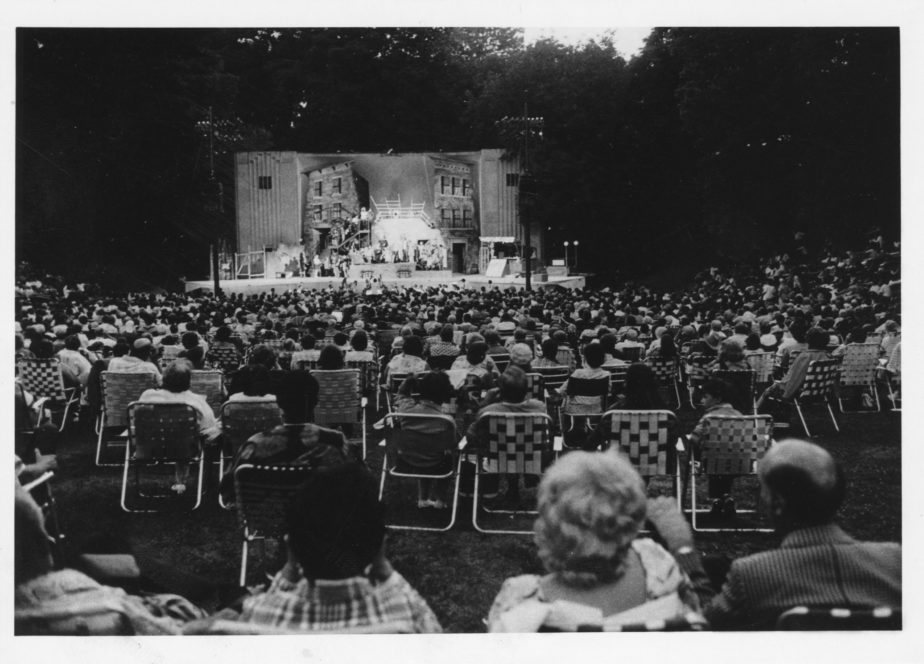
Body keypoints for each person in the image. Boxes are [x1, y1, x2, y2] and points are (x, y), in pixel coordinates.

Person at [487, 451, 709, 631]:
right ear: (631, 519)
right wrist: (682, 546)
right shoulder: (660, 568)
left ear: (549, 520)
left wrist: (567, 553)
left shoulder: (519, 604)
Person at [702, 438, 901, 629]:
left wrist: (684, 551)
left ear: (777, 503)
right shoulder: (895, 561)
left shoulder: (751, 575)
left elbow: (698, 624)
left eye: (763, 491)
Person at [219, 463, 442, 633]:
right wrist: (386, 570)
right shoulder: (406, 613)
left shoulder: (259, 615)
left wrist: (287, 571)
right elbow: (433, 630)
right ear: (379, 547)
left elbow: (270, 600)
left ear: (291, 548)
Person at [15, 482, 205, 635]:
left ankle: (191, 587)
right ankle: (203, 591)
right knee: (109, 545)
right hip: (164, 621)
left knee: (104, 542)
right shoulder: (105, 610)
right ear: (43, 545)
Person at [138, 359, 220, 493]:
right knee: (202, 436)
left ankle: (181, 482)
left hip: (148, 448)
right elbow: (208, 426)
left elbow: (139, 422)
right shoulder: (195, 401)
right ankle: (204, 481)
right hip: (186, 449)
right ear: (189, 380)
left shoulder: (148, 396)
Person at [390, 371, 457, 509]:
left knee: (423, 447)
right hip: (437, 463)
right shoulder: (446, 419)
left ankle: (423, 498)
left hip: (405, 460)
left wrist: (409, 381)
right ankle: (440, 500)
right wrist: (453, 396)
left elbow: (401, 395)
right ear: (446, 393)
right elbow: (455, 441)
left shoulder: (404, 409)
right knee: (442, 454)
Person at [686, 377, 742, 517]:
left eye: (705, 397)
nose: (702, 400)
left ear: (717, 399)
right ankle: (726, 497)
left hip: (711, 462)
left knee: (714, 458)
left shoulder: (709, 418)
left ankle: (719, 499)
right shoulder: (740, 416)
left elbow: (695, 437)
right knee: (725, 462)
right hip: (740, 462)